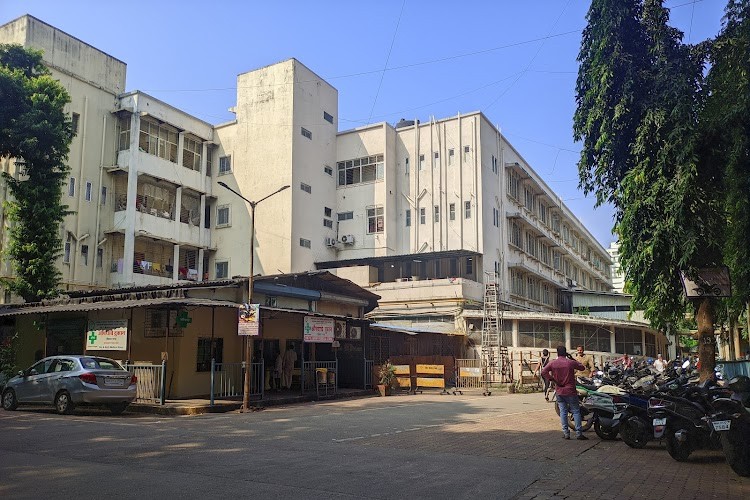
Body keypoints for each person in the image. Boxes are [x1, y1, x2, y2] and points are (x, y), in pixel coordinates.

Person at [542, 346, 588, 440]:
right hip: (570, 390)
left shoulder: (553, 363)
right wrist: (572, 358)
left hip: (559, 390)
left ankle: (566, 433)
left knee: (563, 412)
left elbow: (543, 372)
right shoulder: (570, 362)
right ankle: (579, 433)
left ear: (557, 353)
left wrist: (552, 379)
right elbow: (582, 367)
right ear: (565, 353)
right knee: (576, 411)